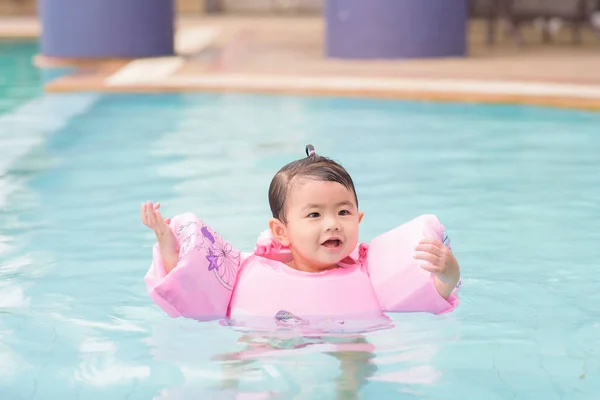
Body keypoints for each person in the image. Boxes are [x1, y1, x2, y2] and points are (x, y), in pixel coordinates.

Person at [141, 145, 461, 322]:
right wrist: (166, 240)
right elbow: (189, 279)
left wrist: (448, 272)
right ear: (281, 231)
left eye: (344, 212)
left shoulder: (370, 275)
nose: (332, 223)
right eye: (314, 214)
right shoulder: (245, 271)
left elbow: (434, 294)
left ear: (359, 219)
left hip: (348, 351)